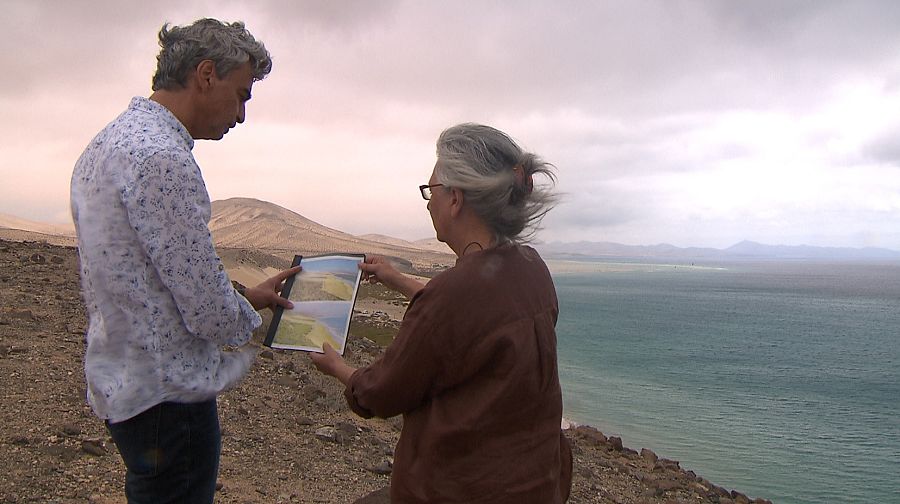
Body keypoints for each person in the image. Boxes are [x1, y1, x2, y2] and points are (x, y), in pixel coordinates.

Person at [70, 18, 298, 503]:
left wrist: (242, 296)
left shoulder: (108, 142)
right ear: (206, 74)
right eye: (242, 95)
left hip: (125, 383)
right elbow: (206, 310)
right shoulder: (162, 159)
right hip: (167, 395)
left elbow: (149, 275)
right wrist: (245, 319)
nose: (241, 115)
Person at [312, 123, 573, 503]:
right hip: (537, 484)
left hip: (464, 490)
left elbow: (381, 393)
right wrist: (397, 279)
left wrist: (338, 366)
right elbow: (474, 317)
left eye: (431, 191)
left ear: (455, 199)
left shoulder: (456, 293)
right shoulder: (531, 267)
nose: (429, 202)